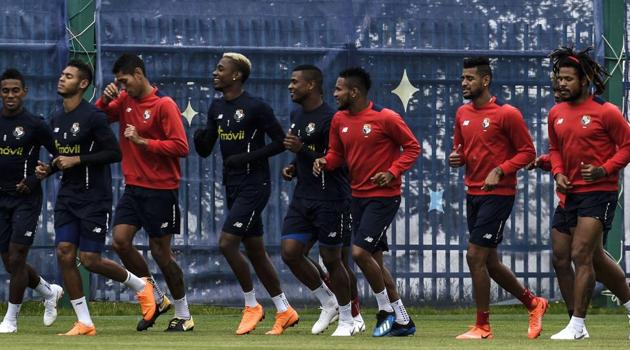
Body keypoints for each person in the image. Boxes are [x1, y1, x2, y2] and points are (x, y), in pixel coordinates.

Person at [35, 60, 156, 336]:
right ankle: (84, 322)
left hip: (94, 197)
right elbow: (60, 157)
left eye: (68, 76)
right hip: (67, 196)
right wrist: (48, 168)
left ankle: (141, 286)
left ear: (83, 83)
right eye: (62, 75)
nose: (61, 79)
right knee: (65, 254)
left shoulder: (94, 117)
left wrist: (76, 159)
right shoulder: (55, 118)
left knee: (90, 259)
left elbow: (114, 153)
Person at [194, 52, 298, 335]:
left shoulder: (256, 107)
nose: (215, 73)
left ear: (236, 75)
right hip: (233, 185)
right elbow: (205, 149)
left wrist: (248, 158)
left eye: (220, 69)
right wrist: (200, 137)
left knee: (227, 243)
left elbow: (281, 143)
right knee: (256, 251)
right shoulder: (216, 107)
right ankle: (284, 309)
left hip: (256, 185)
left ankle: (252, 305)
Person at [313, 67, 420, 337]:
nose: (334, 94)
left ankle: (384, 310)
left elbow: (413, 148)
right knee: (375, 263)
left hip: (384, 198)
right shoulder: (339, 119)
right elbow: (337, 154)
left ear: (354, 92)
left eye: (339, 89)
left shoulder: (386, 118)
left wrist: (393, 172)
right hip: (357, 198)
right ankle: (404, 321)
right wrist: (325, 161)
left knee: (359, 253)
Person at [448, 57, 547, 340]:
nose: (464, 83)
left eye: (469, 78)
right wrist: (458, 158)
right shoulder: (462, 113)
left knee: (474, 256)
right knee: (490, 263)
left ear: (485, 80)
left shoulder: (507, 114)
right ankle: (533, 302)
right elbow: (461, 150)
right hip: (473, 192)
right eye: (463, 78)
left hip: (499, 195)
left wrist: (501, 170)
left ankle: (483, 326)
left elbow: (527, 152)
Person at [96, 53, 192, 332]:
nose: (122, 87)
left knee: (161, 253)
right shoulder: (124, 101)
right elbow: (98, 119)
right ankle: (156, 297)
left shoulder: (164, 105)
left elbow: (181, 147)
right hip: (134, 188)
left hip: (162, 190)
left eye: (124, 81)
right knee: (120, 241)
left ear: (139, 74)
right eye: (118, 82)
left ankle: (184, 314)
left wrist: (143, 141)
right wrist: (104, 98)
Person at [546, 47, 630, 340]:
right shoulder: (555, 112)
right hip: (570, 195)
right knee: (566, 256)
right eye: (559, 79)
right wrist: (558, 173)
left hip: (600, 192)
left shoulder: (606, 112)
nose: (562, 84)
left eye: (568, 79)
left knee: (580, 254)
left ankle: (577, 326)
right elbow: (555, 149)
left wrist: (604, 170)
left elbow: (627, 146)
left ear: (584, 81)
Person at [280, 64, 356, 336]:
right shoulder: (296, 113)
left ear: (311, 85)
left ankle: (348, 319)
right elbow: (307, 153)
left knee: (332, 259)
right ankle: (328, 301)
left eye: (295, 82)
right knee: (290, 252)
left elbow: (338, 159)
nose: (290, 86)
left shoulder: (333, 118)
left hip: (331, 197)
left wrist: (303, 150)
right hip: (303, 196)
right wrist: (293, 164)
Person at [0, 68, 63, 333]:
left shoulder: (35, 124)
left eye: (16, 90)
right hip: (0, 198)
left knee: (17, 256)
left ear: (24, 92)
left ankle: (10, 319)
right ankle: (49, 292)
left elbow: (60, 157)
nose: (10, 95)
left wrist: (37, 178)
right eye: (5, 90)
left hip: (25, 199)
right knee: (10, 262)